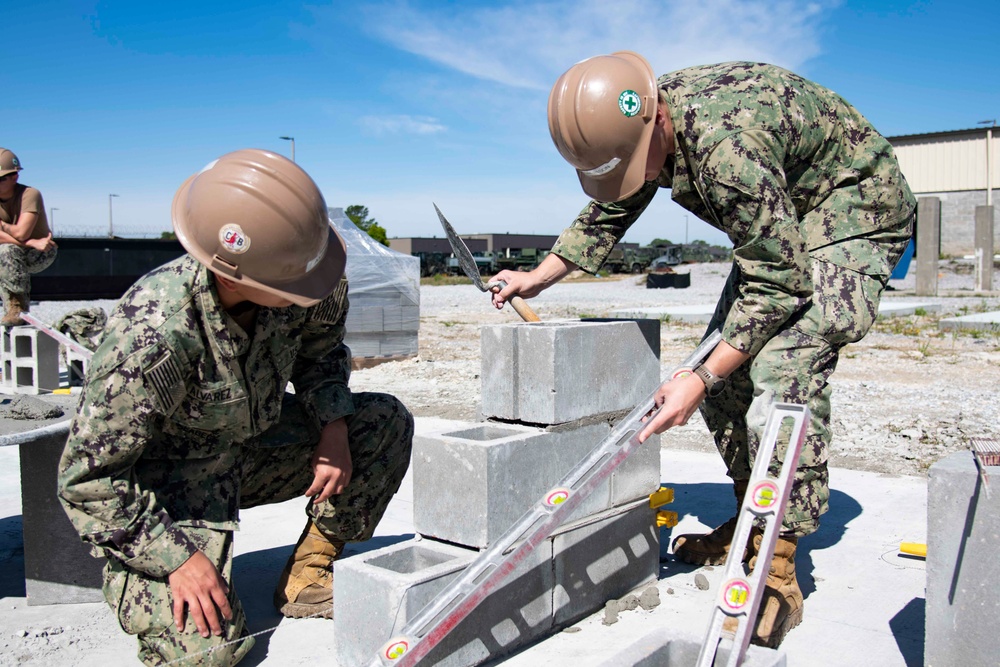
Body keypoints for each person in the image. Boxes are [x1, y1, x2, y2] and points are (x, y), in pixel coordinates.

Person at [491, 52, 914, 648]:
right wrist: (538, 276)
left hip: (852, 214)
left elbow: (780, 283)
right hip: (787, 225)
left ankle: (778, 565)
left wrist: (699, 377)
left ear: (658, 121)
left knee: (781, 366)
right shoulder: (638, 123)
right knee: (722, 379)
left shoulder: (725, 150)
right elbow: (619, 195)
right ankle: (752, 519)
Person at [58, 149, 414, 666]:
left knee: (382, 421)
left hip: (254, 448)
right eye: (292, 288)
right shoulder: (154, 333)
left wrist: (334, 427)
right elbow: (87, 479)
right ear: (230, 275)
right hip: (173, 484)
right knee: (209, 653)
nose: (309, 293)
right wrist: (176, 559)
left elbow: (321, 352)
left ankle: (308, 572)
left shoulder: (307, 269)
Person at [0, 148, 57, 326]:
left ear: (14, 177)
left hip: (40, 252)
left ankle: (18, 307)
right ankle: (9, 310)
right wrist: (31, 241)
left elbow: (21, 232)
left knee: (6, 250)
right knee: (6, 252)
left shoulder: (29, 194)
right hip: (32, 244)